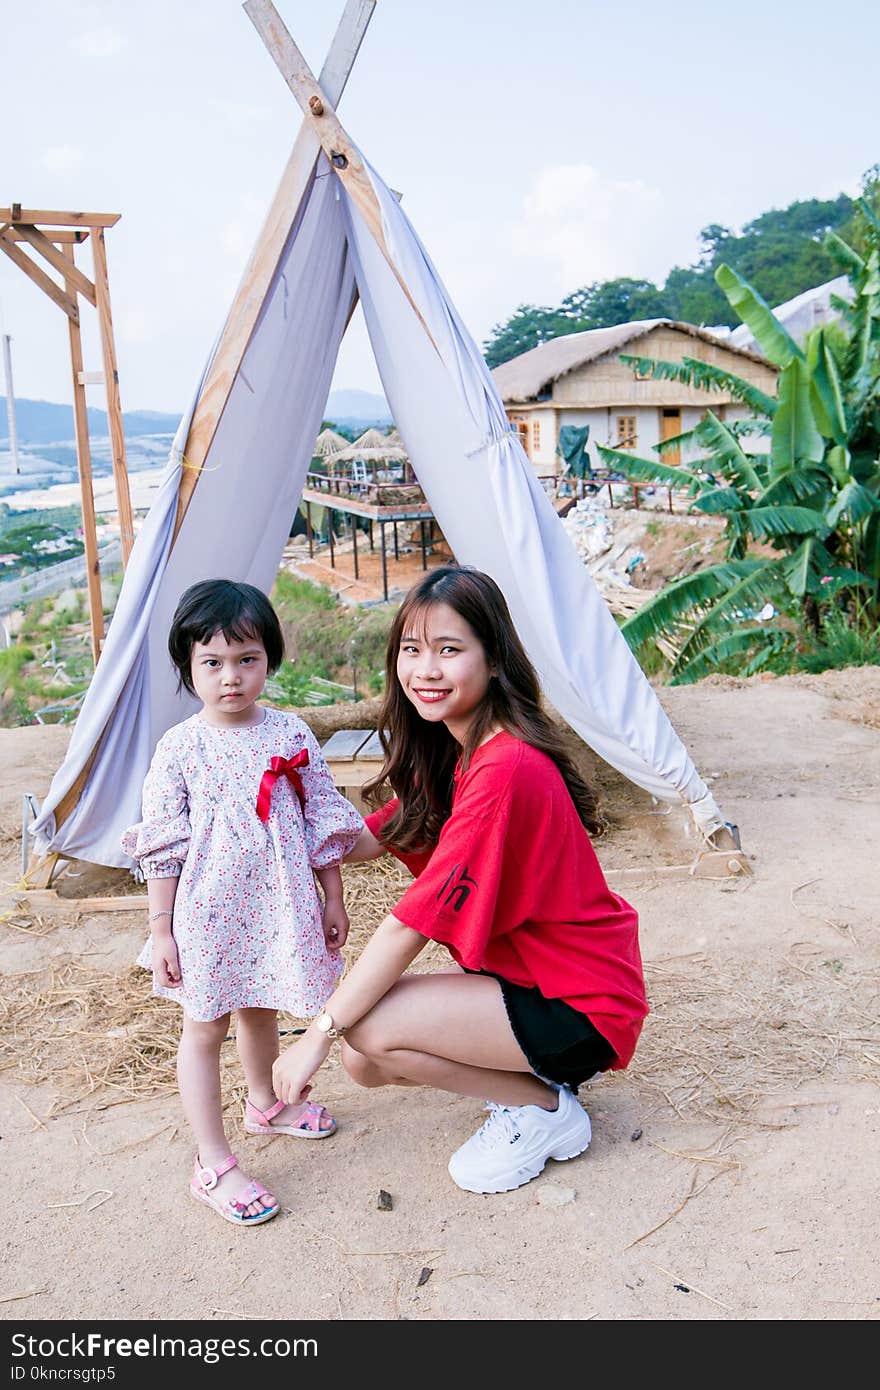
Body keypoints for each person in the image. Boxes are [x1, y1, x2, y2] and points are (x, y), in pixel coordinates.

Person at [272, 565, 649, 1194]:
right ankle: (533, 1088)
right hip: (529, 978)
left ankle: (547, 1111)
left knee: (359, 1030)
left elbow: (409, 925)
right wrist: (281, 828)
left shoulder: (503, 769)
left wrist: (314, 1033)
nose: (426, 670)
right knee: (363, 1063)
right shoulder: (457, 749)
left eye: (449, 650)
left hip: (579, 1000)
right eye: (413, 650)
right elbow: (374, 837)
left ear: (494, 659)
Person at [122, 579, 363, 1227]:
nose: (231, 677)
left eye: (247, 659)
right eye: (212, 662)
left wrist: (332, 897)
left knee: (261, 1007)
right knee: (205, 1028)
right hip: (204, 917)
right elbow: (164, 847)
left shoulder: (291, 732)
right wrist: (162, 930)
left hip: (276, 910)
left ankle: (267, 1104)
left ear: (270, 659)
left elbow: (321, 822)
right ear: (188, 667)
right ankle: (214, 1163)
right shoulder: (181, 749)